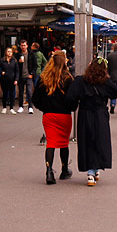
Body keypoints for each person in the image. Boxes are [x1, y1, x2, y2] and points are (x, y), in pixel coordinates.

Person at [67, 57, 117, 186]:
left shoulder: (81, 80)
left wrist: (73, 106)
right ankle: (95, 168)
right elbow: (116, 92)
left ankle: (91, 171)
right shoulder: (105, 81)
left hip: (85, 114)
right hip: (100, 114)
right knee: (100, 141)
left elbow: (71, 97)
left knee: (87, 141)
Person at [31, 51, 75, 184]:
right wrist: (70, 108)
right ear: (64, 61)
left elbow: (35, 98)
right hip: (64, 115)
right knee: (64, 143)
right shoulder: (68, 78)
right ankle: (64, 169)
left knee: (51, 143)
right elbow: (72, 99)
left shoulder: (44, 77)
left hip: (49, 115)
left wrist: (44, 108)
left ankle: (49, 171)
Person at [15, 39, 36, 114]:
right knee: (20, 92)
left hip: (28, 76)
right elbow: (15, 65)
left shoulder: (31, 54)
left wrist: (32, 74)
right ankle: (21, 106)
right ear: (20, 46)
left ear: (27, 46)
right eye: (22, 45)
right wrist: (18, 62)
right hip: (21, 76)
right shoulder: (18, 54)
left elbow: (35, 65)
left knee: (29, 92)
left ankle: (30, 107)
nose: (23, 47)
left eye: (24, 45)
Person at [0, 47, 18, 114]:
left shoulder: (14, 61)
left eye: (10, 52)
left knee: (12, 94)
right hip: (4, 79)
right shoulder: (2, 60)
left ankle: (11, 108)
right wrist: (1, 72)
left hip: (12, 79)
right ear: (6, 52)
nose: (9, 53)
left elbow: (17, 71)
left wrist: (16, 79)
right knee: (5, 93)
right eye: (8, 51)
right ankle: (4, 107)